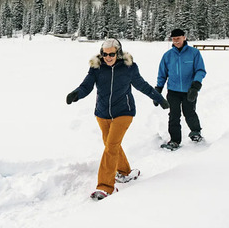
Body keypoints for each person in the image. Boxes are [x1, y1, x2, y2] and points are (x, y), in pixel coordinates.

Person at [66, 38, 169, 200]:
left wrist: (159, 98)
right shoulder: (96, 68)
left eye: (111, 54)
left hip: (124, 112)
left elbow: (142, 85)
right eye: (105, 54)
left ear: (118, 53)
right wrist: (76, 94)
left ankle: (105, 187)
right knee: (110, 144)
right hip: (102, 113)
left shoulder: (129, 68)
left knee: (111, 146)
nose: (108, 57)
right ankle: (125, 172)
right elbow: (86, 86)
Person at [155, 29, 207, 151]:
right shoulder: (167, 55)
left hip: (190, 90)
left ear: (184, 37)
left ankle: (196, 132)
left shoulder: (194, 53)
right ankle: (174, 140)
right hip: (173, 91)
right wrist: (157, 90)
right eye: (173, 39)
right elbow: (162, 74)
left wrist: (195, 86)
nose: (176, 41)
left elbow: (200, 70)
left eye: (178, 38)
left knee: (189, 113)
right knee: (174, 115)